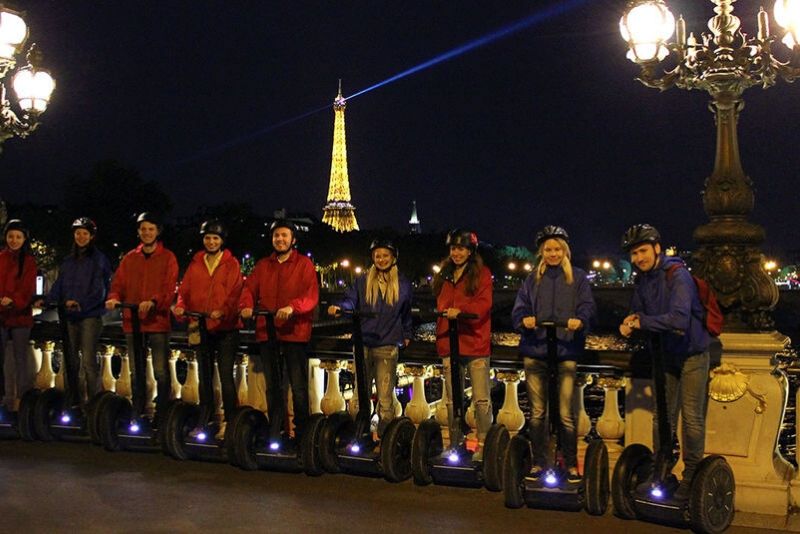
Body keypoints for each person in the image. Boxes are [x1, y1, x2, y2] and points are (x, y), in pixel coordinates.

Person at [619, 223, 711, 499]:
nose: (638, 258)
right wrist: (631, 318)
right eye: (634, 254)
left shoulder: (678, 276)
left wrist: (642, 322)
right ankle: (662, 467)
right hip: (665, 354)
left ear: (657, 248)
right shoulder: (643, 280)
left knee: (691, 418)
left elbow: (680, 319)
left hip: (692, 353)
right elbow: (638, 309)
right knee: (662, 417)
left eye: (643, 251)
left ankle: (692, 474)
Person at [511, 225, 596, 484]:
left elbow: (588, 306)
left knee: (566, 414)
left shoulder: (578, 278)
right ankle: (539, 462)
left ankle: (570, 463)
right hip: (536, 350)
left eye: (557, 249)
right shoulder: (532, 279)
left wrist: (580, 320)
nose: (553, 253)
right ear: (541, 252)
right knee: (537, 413)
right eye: (548, 249)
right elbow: (519, 307)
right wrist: (522, 320)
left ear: (565, 251)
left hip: (565, 349)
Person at [240, 219, 319, 443]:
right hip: (268, 331)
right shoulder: (263, 265)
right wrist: (245, 306)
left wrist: (293, 307)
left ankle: (302, 432)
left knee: (298, 386)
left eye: (284, 235)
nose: (280, 239)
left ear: (293, 240)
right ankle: (277, 429)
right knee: (273, 387)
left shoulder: (304, 264)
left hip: (295, 332)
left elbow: (311, 296)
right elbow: (249, 288)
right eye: (276, 235)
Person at [328, 239, 413, 437]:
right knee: (360, 394)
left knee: (385, 398)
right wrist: (341, 308)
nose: (381, 259)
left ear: (393, 258)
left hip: (387, 344)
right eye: (377, 256)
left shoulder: (402, 283)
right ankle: (360, 433)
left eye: (385, 255)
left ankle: (386, 440)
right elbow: (350, 300)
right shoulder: (363, 281)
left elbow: (406, 313)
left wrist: (407, 334)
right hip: (363, 342)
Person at [106, 212, 178, 425]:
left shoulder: (168, 257)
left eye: (151, 229)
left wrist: (154, 301)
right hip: (133, 319)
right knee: (136, 370)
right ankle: (138, 410)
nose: (147, 233)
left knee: (160, 370)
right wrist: (113, 298)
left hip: (157, 320)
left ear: (158, 232)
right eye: (143, 229)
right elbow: (118, 283)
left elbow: (169, 287)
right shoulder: (130, 258)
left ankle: (162, 412)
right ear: (138, 232)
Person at [174, 220, 243, 440]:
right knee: (204, 377)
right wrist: (181, 306)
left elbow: (235, 293)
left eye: (215, 238)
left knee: (225, 377)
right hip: (201, 325)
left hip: (226, 328)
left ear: (222, 241)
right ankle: (206, 418)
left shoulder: (231, 264)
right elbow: (184, 290)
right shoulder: (196, 263)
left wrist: (223, 311)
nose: (211, 242)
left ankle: (229, 421)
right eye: (207, 238)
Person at [432, 229, 493, 461]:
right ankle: (455, 443)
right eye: (453, 249)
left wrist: (463, 312)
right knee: (451, 399)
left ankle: (484, 443)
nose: (457, 253)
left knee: (481, 399)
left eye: (461, 249)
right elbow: (441, 303)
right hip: (450, 341)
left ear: (470, 251)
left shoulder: (482, 274)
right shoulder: (445, 274)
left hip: (474, 342)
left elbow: (484, 305)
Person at [47, 217, 111, 407]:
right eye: (78, 233)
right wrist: (49, 299)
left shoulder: (99, 260)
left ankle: (94, 404)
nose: (81, 237)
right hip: (70, 316)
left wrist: (81, 303)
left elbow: (100, 289)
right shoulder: (68, 261)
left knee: (89, 363)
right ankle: (72, 402)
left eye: (85, 233)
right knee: (70, 361)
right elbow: (59, 284)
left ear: (91, 236)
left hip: (89, 316)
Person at [0, 220, 38, 412]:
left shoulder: (29, 262)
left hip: (20, 316)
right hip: (2, 315)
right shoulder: (1, 258)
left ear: (24, 239)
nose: (14, 240)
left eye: (18, 237)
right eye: (11, 236)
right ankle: (5, 400)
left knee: (20, 360)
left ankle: (22, 401)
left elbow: (28, 289)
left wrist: (13, 300)